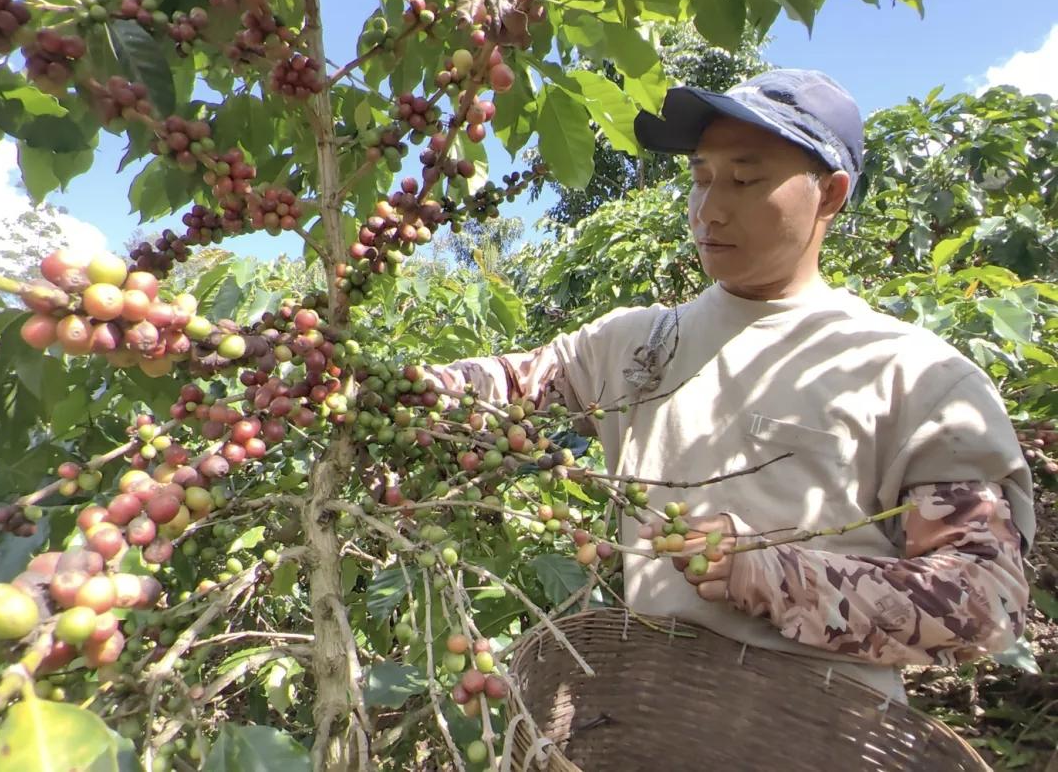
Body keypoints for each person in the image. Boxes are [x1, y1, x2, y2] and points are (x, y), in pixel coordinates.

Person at [426, 68, 1036, 703]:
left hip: (818, 739)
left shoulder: (910, 374)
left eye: (745, 180)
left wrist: (775, 573)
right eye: (700, 178)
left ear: (829, 196)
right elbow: (507, 386)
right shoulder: (637, 344)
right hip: (651, 724)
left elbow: (984, 602)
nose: (709, 209)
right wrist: (402, 386)